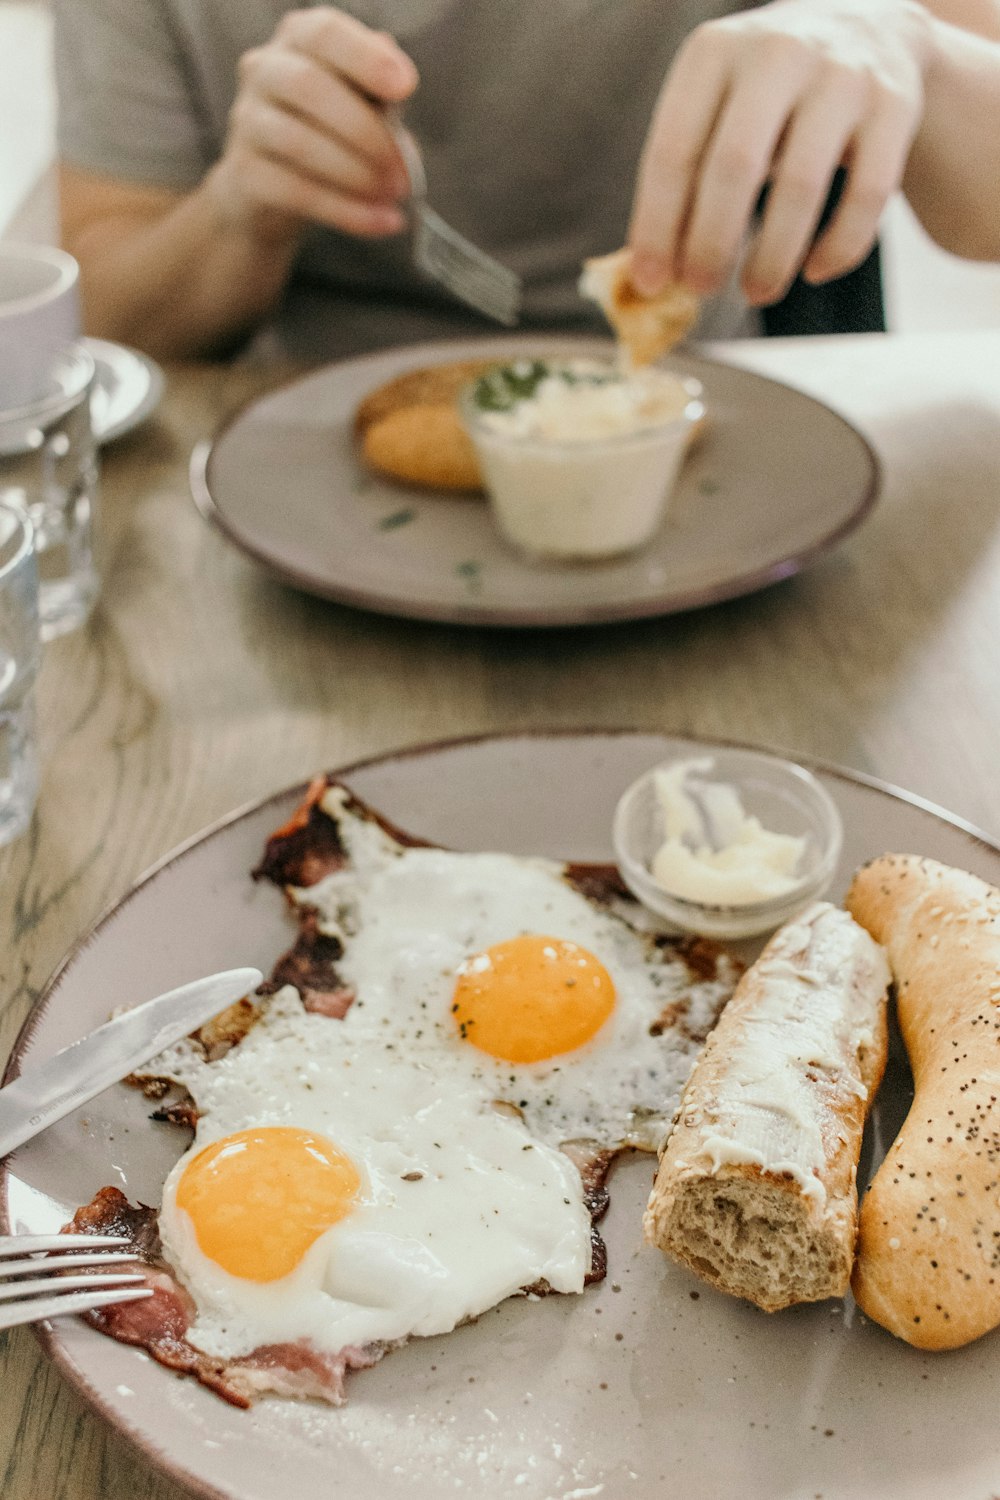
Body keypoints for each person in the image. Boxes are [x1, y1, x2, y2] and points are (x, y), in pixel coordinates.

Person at [52, 0, 1000, 362]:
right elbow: (102, 323)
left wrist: (907, 40)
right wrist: (237, 215)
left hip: (700, 423)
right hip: (294, 447)